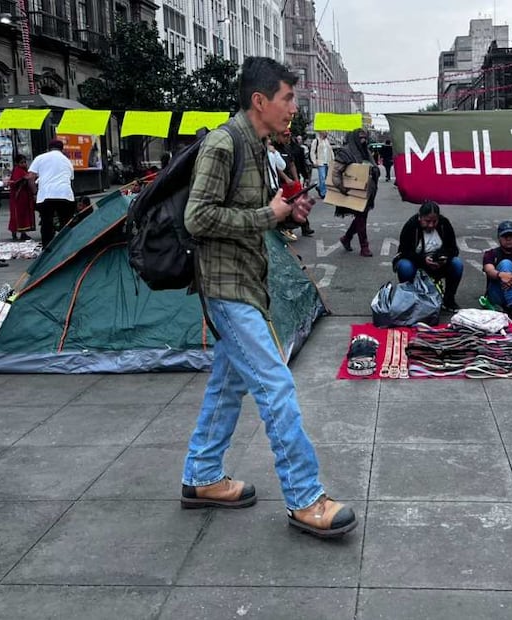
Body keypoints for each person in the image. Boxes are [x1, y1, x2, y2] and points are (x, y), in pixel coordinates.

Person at [181, 56, 356, 538]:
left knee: (227, 385)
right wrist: (266, 216)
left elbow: (258, 211)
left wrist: (288, 211)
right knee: (276, 386)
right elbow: (198, 219)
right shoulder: (223, 143)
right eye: (288, 98)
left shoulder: (258, 145)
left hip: (248, 282)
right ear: (260, 101)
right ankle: (304, 498)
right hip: (226, 287)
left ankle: (201, 476)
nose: (293, 109)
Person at [393, 201, 464, 311]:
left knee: (457, 264)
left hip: (438, 263)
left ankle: (449, 300)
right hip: (417, 263)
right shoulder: (411, 225)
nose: (431, 225)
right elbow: (404, 251)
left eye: (434, 221)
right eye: (427, 221)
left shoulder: (444, 224)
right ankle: (409, 300)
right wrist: (423, 260)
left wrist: (444, 257)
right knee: (405, 266)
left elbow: (453, 249)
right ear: (420, 217)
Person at [333, 129, 380, 257]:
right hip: (351, 191)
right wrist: (341, 188)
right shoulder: (346, 151)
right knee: (361, 216)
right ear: (355, 138)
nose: (363, 140)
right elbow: (336, 172)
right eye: (360, 138)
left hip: (367, 190)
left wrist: (374, 171)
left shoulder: (365, 151)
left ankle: (347, 238)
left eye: (365, 137)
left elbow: (374, 167)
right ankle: (364, 247)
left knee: (361, 217)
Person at [27, 139, 75, 248]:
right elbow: (71, 180)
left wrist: (35, 193)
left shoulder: (40, 158)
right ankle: (66, 246)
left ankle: (47, 248)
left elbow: (30, 177)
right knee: (65, 222)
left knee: (46, 222)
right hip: (65, 194)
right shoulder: (67, 161)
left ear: (48, 148)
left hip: (46, 195)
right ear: (62, 149)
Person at [7, 154, 35, 242]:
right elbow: (15, 182)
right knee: (17, 214)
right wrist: (24, 178)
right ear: (17, 163)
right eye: (21, 162)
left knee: (25, 214)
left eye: (24, 162)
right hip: (18, 197)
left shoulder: (24, 170)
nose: (24, 164)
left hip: (25, 196)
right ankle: (14, 232)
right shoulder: (17, 170)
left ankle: (23, 233)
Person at [310, 131, 333, 199]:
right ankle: (323, 193)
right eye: (325, 131)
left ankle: (320, 188)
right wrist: (314, 161)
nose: (327, 133)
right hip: (320, 162)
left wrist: (333, 159)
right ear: (321, 132)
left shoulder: (327, 141)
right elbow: (312, 151)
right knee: (322, 177)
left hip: (327, 161)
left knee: (326, 178)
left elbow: (330, 151)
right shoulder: (316, 141)